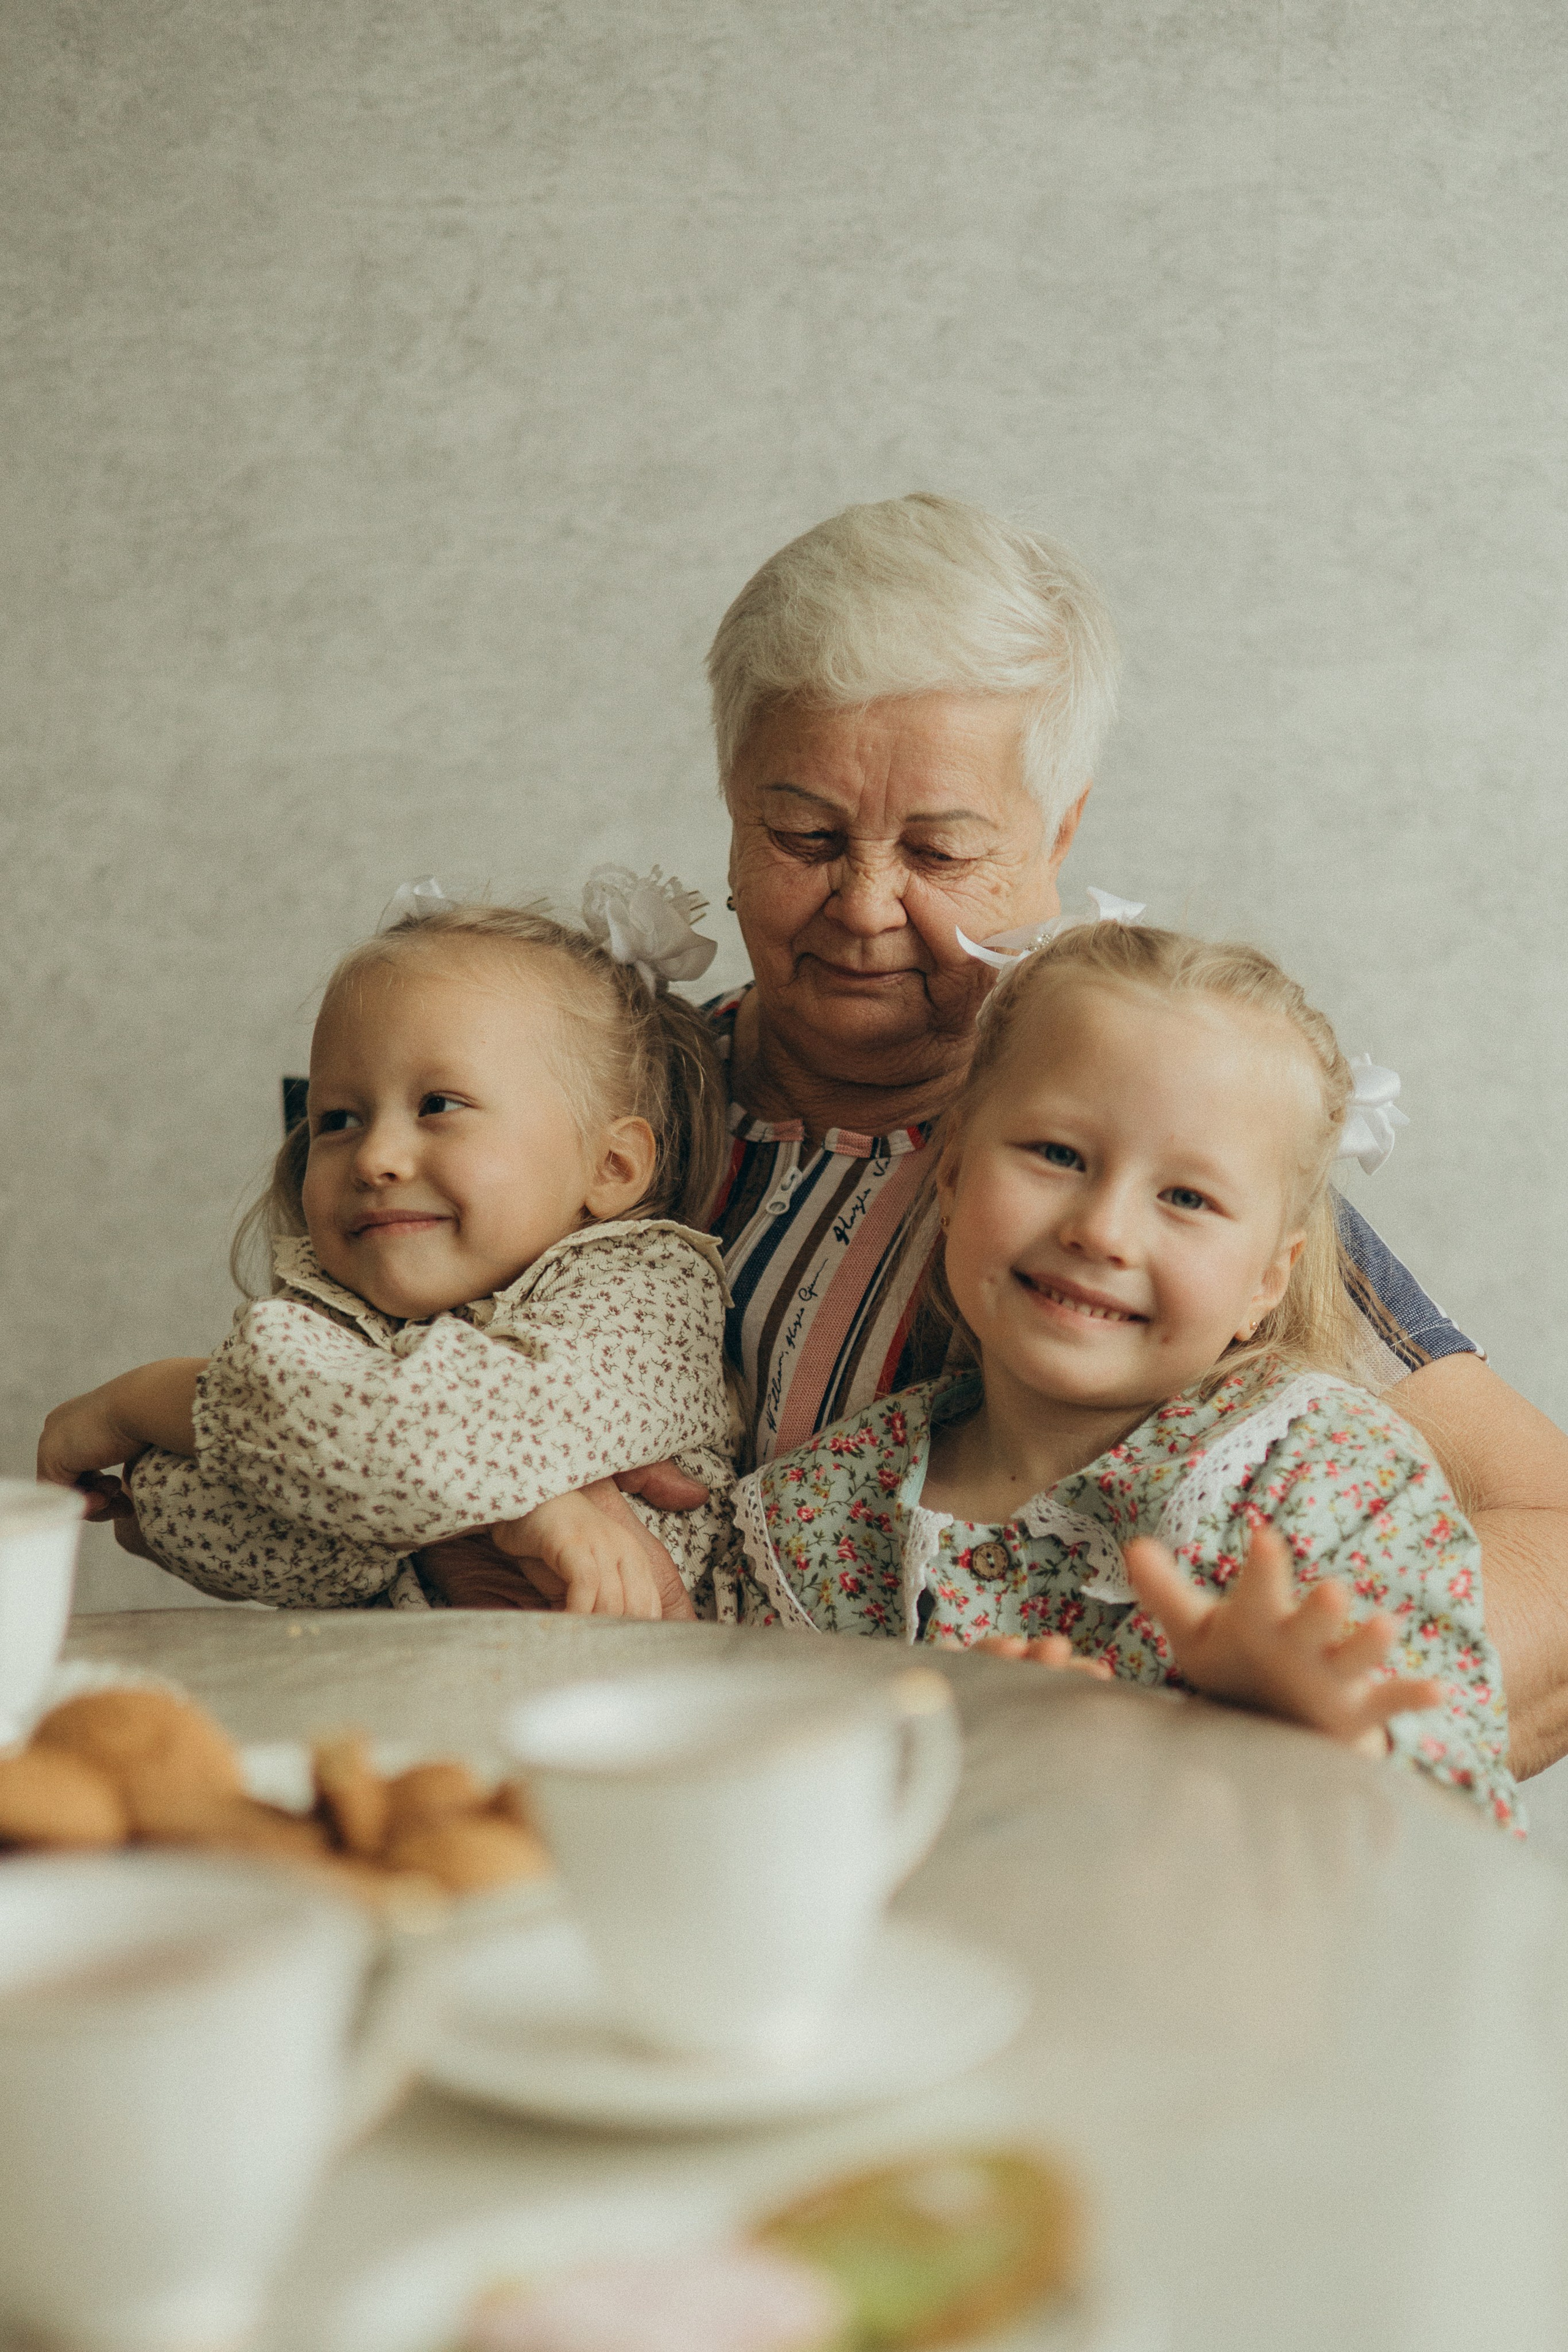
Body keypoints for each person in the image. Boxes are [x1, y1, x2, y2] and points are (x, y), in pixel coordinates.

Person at [723, 918, 1517, 1828]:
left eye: (1186, 1197)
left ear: (1269, 1279)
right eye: (1057, 1155)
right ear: (949, 1180)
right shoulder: (815, 1514)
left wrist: (1327, 1739)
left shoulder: (1329, 1478)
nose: (1101, 1230)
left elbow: (1464, 1824)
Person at [36, 891, 736, 1616]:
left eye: (439, 1105)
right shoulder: (347, 1312)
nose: (374, 1157)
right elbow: (187, 1515)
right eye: (337, 1119)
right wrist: (502, 1510)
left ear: (611, 1166)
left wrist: (145, 1399)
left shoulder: (645, 1294)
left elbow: (410, 1443)